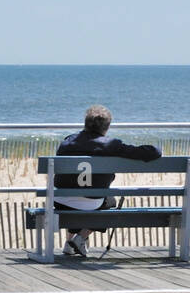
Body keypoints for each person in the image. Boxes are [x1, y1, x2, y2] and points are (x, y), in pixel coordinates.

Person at [53, 104, 162, 258]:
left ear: (85, 123)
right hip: (92, 202)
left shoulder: (66, 142)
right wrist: (157, 149)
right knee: (109, 201)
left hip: (60, 200)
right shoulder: (111, 145)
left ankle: (69, 244)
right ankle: (81, 237)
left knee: (78, 194)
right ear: (107, 127)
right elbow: (151, 153)